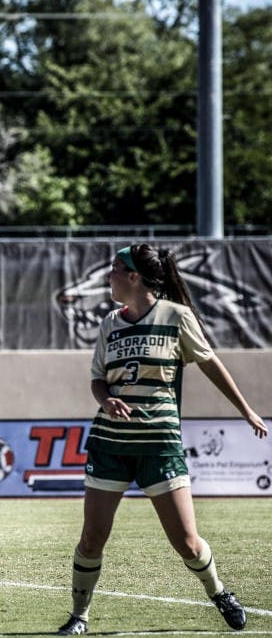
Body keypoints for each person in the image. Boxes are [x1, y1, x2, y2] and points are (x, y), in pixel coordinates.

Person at [55, 244, 268, 635]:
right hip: (110, 444)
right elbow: (98, 380)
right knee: (91, 539)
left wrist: (246, 411)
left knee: (187, 543)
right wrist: (108, 400)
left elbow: (209, 362)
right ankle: (79, 616)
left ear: (134, 277)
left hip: (159, 446)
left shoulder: (176, 316)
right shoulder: (109, 324)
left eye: (115, 269)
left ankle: (219, 592)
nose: (109, 275)